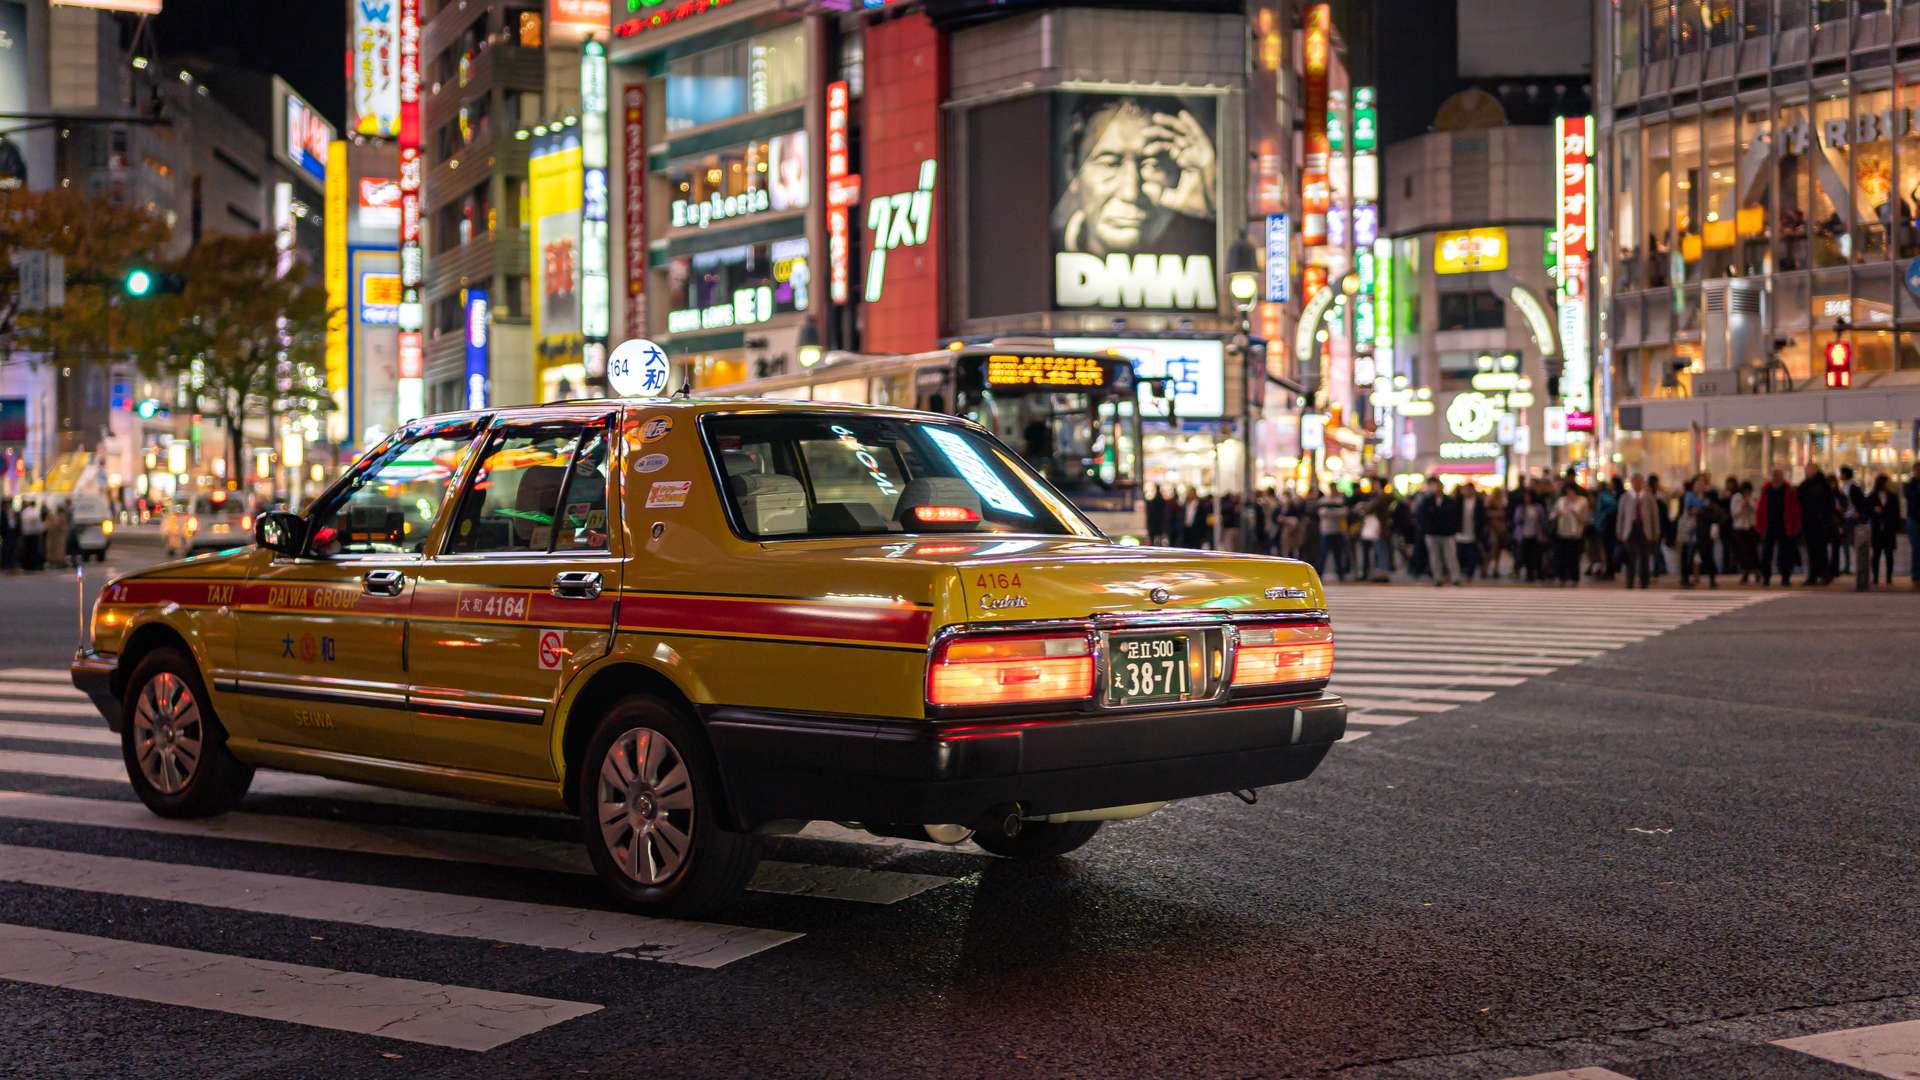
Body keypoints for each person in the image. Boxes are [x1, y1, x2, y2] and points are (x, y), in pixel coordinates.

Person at [1755, 467, 1803, 586]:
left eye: (1778, 475)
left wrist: (1795, 526)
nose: (1776, 478)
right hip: (1769, 526)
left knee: (1785, 554)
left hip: (1784, 526)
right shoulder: (1766, 490)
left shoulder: (1788, 490)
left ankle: (1785, 577)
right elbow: (1761, 508)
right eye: (1774, 475)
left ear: (1782, 477)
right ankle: (1766, 577)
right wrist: (1760, 525)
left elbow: (1795, 509)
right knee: (1766, 553)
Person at [1416, 478, 1463, 586]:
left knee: (1451, 556)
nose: (1434, 488)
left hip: (1447, 533)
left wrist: (1454, 529)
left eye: (1435, 485)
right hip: (1432, 532)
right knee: (1434, 556)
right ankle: (1438, 578)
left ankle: (1455, 577)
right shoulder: (1427, 501)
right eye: (1431, 486)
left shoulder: (1449, 500)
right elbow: (1422, 516)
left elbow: (1454, 516)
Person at [1617, 473, 1660, 589]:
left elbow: (1654, 516)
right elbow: (1621, 515)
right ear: (1631, 483)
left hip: (1644, 529)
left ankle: (1644, 581)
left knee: (1644, 556)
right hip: (1630, 528)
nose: (1637, 483)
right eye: (1635, 481)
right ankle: (1630, 580)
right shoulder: (1625, 497)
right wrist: (1619, 530)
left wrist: (1656, 531)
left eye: (1639, 481)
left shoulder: (1648, 497)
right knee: (1630, 557)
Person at [1679, 476, 1719, 588]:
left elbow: (1711, 512)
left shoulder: (1708, 497)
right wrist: (1698, 510)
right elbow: (1687, 512)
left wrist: (1699, 511)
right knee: (1688, 555)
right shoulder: (1687, 496)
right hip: (1690, 530)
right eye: (1697, 483)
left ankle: (1712, 578)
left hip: (1704, 530)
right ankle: (1685, 578)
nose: (1700, 485)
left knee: (1707, 555)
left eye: (1702, 483)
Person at [1798, 465, 1834, 585]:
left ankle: (1823, 574)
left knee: (1820, 550)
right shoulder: (1805, 485)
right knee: (1812, 550)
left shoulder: (1823, 485)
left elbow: (1829, 503)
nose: (1808, 472)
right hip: (1809, 522)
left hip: (1820, 523)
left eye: (1809, 470)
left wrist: (1826, 519)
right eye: (1807, 471)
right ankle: (1815, 575)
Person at [1549, 481, 1590, 586]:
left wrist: (1576, 514)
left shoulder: (1582, 501)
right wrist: (1557, 514)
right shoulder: (1561, 501)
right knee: (1561, 556)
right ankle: (1561, 577)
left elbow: (1585, 518)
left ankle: (1574, 578)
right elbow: (1552, 514)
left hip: (1575, 533)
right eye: (1567, 491)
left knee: (1573, 557)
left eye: (1571, 491)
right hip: (1562, 531)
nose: (1569, 493)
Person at [1867, 473, 1902, 587]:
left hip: (1888, 529)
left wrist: (1895, 526)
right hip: (1877, 528)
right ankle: (1875, 578)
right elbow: (1867, 511)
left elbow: (1896, 513)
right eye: (1887, 482)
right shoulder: (1872, 496)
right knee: (1876, 554)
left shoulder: (1892, 496)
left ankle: (1889, 578)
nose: (1888, 484)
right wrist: (1874, 510)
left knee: (1889, 554)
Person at [1729, 479, 1759, 583]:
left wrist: (1749, 503)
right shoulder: (1736, 498)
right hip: (1739, 527)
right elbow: (1733, 513)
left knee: (1752, 550)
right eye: (1745, 492)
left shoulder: (1754, 497)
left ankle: (1756, 572)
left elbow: (1757, 510)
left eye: (1748, 492)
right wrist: (1742, 505)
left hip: (1751, 526)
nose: (1747, 494)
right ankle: (1745, 572)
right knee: (1742, 551)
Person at [1455, 482, 1485, 581]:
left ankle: (1470, 572)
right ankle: (1459, 572)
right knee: (1459, 554)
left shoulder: (1478, 502)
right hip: (1460, 532)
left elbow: (1482, 518)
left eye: (1468, 489)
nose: (1466, 491)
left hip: (1473, 532)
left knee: (1471, 554)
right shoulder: (1458, 501)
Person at [43, 501, 70, 573]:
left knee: (58, 550)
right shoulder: (56, 517)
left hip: (57, 537)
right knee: (55, 549)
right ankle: (55, 561)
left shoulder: (58, 517)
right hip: (55, 537)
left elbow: (47, 526)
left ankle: (58, 561)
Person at [18, 499, 45, 572]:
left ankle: (27, 566)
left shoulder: (24, 512)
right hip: (34, 534)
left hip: (26, 534)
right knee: (33, 550)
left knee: (27, 550)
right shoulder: (36, 511)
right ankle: (33, 566)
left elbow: (22, 522)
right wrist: (40, 531)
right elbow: (38, 523)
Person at [1905, 463, 1920, 588]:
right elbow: (1911, 497)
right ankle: (1915, 575)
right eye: (1917, 471)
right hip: (1913, 519)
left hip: (1914, 518)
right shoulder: (1910, 484)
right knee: (1916, 548)